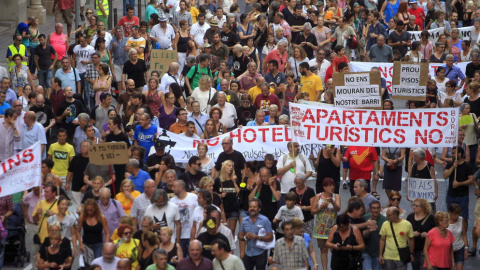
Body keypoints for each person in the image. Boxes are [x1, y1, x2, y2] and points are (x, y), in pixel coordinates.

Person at [311, 177, 341, 270]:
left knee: (334, 249)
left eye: (333, 185)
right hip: (321, 228)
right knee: (323, 250)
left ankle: (335, 267)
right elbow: (313, 211)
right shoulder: (318, 197)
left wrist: (333, 202)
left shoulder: (336, 196)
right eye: (329, 186)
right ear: (324, 187)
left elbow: (338, 209)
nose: (332, 187)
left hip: (333, 228)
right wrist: (321, 207)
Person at [443, 146, 474, 220]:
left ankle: (463, 231)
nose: (451, 155)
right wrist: (453, 167)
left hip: (462, 196)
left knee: (463, 217)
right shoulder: (450, 164)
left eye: (453, 153)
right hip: (451, 195)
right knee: (450, 216)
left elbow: (471, 180)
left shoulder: (467, 166)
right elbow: (445, 176)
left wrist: (459, 184)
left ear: (459, 154)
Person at [170, 180, 199, 255]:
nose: (172, 188)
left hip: (192, 234)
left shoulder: (193, 197)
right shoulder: (172, 201)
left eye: (174, 186)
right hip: (179, 235)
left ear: (180, 188)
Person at [406, 198, 436, 270]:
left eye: (416, 206)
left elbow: (436, 232)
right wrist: (412, 233)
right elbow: (405, 231)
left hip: (425, 250)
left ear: (423, 207)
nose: (414, 207)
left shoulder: (431, 218)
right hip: (413, 249)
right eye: (413, 205)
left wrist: (428, 235)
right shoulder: (410, 217)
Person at [362, 200, 387, 270]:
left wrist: (381, 254)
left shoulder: (385, 221)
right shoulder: (364, 218)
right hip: (366, 251)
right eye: (373, 208)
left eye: (377, 208)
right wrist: (368, 230)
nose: (376, 210)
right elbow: (360, 234)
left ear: (380, 208)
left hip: (378, 252)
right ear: (370, 209)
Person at [447, 203, 469, 269]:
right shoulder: (444, 220)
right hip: (448, 249)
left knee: (460, 267)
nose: (457, 216)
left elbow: (464, 235)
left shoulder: (462, 220)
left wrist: (466, 248)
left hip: (459, 247)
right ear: (450, 212)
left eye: (458, 214)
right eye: (455, 214)